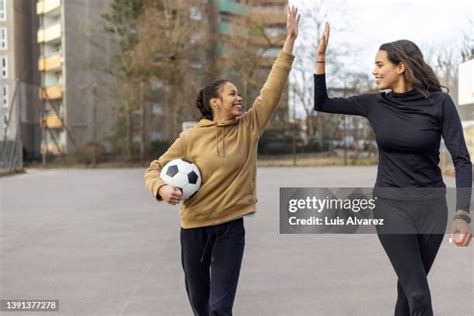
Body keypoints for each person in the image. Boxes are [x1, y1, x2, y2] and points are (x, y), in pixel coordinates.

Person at [144, 6, 300, 315]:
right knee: (201, 307)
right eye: (232, 94)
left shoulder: (250, 126)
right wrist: (161, 189)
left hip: (230, 229)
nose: (239, 97)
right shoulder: (191, 138)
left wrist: (289, 41)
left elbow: (272, 87)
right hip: (194, 229)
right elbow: (154, 169)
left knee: (219, 309)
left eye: (239, 93)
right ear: (215, 101)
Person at [314, 22, 472, 316]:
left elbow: (462, 160)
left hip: (431, 209)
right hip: (390, 205)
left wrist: (463, 213)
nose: (374, 71)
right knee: (418, 294)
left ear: (401, 67)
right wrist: (320, 58)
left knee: (408, 292)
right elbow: (322, 102)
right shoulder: (374, 104)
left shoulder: (440, 103)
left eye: (379, 64)